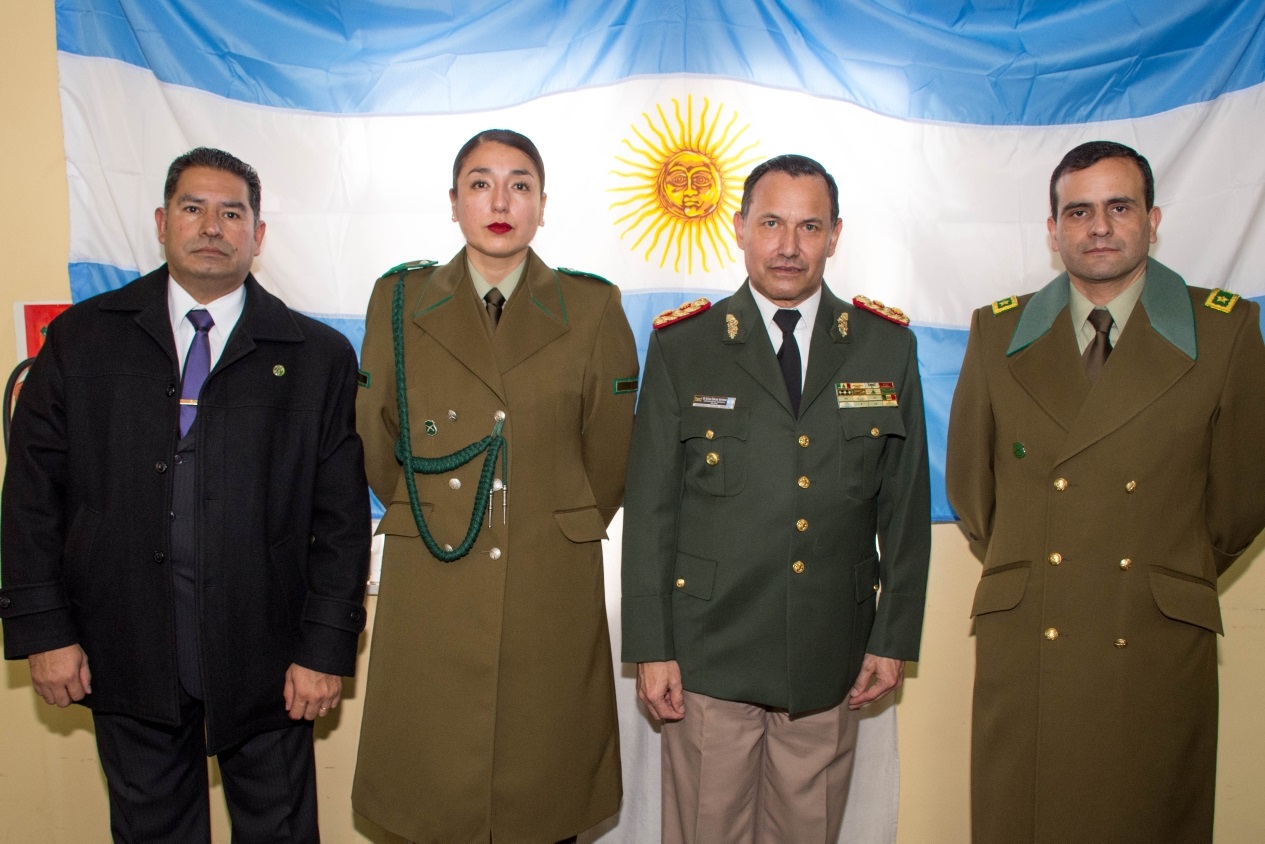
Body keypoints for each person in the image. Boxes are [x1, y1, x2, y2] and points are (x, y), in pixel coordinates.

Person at [0, 146, 370, 841]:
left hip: (272, 664)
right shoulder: (83, 340)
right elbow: (30, 497)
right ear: (161, 222)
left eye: (231, 212)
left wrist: (324, 650)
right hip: (127, 649)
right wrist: (45, 632)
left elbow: (342, 520)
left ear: (256, 236)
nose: (211, 226)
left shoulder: (316, 355)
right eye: (192, 208)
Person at [946, 140, 1265, 843]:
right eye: (1078, 210)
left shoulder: (1224, 330)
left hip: (1151, 637)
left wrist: (1161, 567)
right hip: (1032, 640)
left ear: (1152, 220)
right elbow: (974, 497)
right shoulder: (996, 330)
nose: (1097, 226)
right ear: (1052, 229)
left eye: (1118, 207)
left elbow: (1241, 501)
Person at [621, 153, 931, 844]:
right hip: (708, 652)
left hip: (830, 653)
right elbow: (649, 509)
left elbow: (905, 509)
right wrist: (651, 646)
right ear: (738, 229)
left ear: (834, 234)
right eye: (770, 223)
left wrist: (893, 638)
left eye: (808, 226)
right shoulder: (685, 346)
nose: (788, 246)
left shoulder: (884, 348)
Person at [352, 128, 639, 844]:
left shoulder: (591, 307)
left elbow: (609, 459)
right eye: (480, 183)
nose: (500, 201)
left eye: (519, 185)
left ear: (543, 205)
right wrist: (439, 512)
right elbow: (374, 440)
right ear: (453, 203)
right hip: (434, 573)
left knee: (543, 796)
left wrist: (549, 516)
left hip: (549, 581)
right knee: (429, 797)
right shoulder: (399, 299)